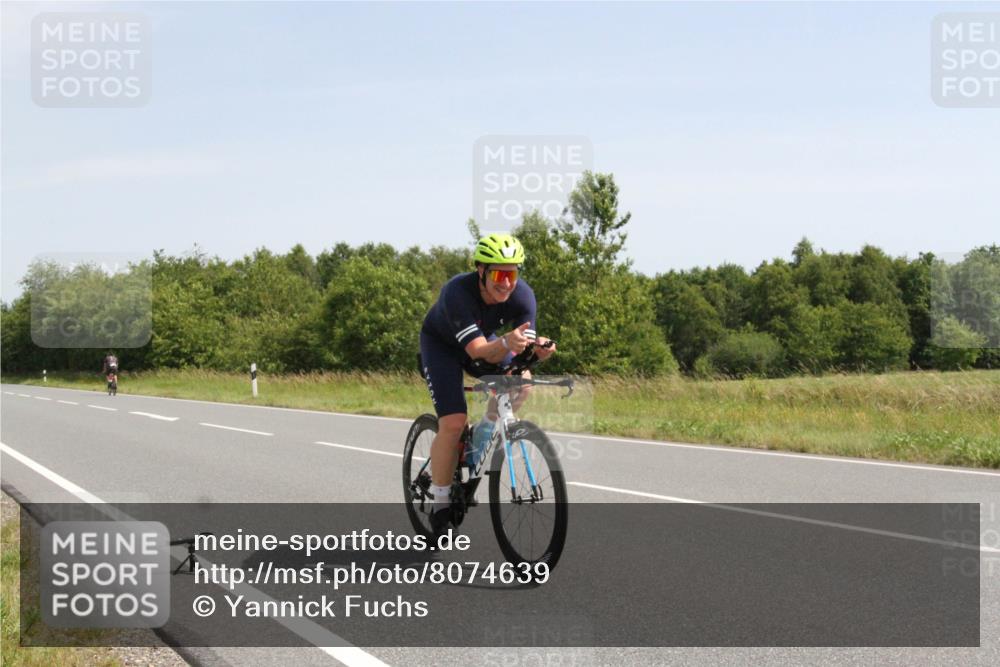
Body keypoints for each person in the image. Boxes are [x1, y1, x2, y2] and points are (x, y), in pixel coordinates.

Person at [419, 233, 555, 536]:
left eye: (512, 273)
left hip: (482, 342)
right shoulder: (457, 292)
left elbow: (523, 350)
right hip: (442, 347)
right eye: (498, 274)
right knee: (453, 423)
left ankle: (477, 445)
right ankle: (441, 502)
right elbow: (478, 353)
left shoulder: (523, 296)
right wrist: (507, 341)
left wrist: (539, 350)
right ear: (481, 271)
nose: (506, 283)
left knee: (522, 383)